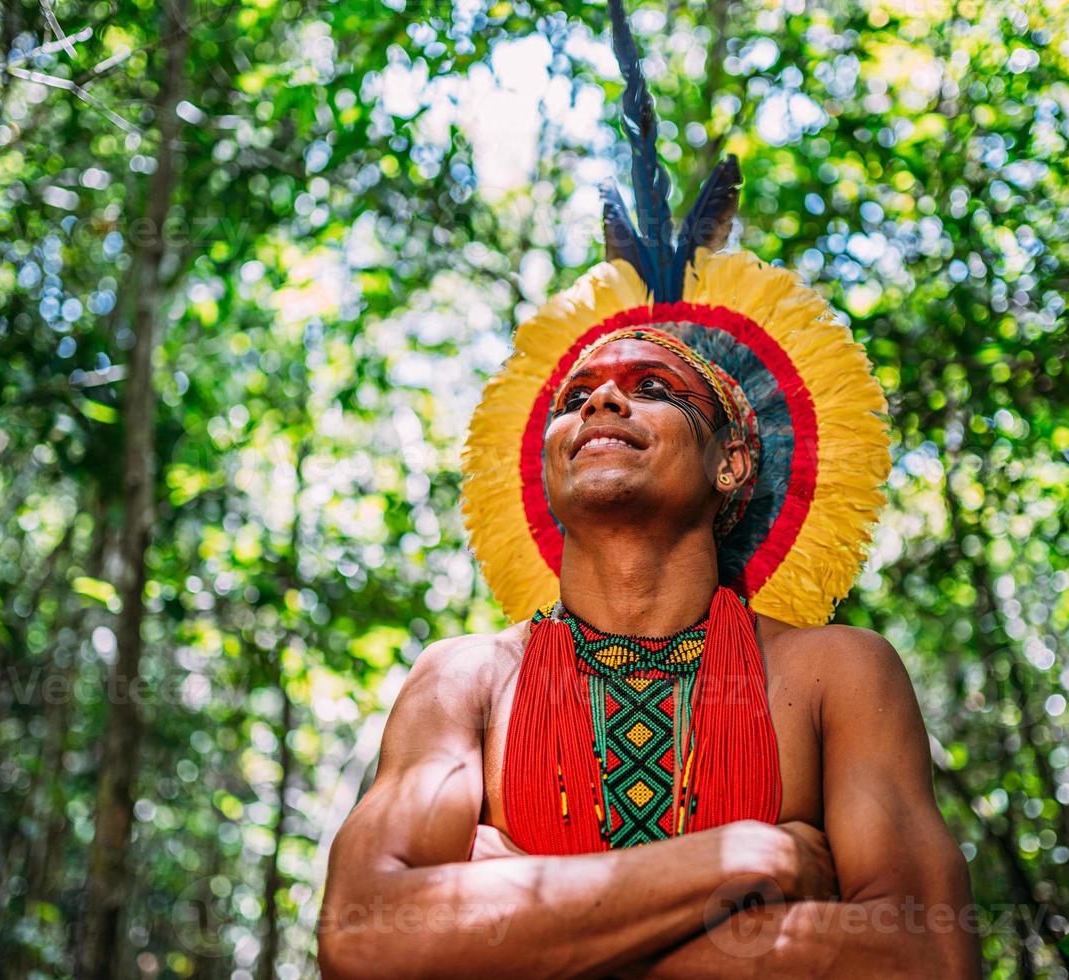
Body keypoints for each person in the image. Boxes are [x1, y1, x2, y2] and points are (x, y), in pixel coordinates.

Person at [319, 2, 979, 976]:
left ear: (733, 461)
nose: (602, 402)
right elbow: (363, 938)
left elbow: (925, 957)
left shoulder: (840, 674)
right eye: (577, 393)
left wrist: (519, 912)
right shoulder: (464, 679)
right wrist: (745, 857)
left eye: (653, 387)